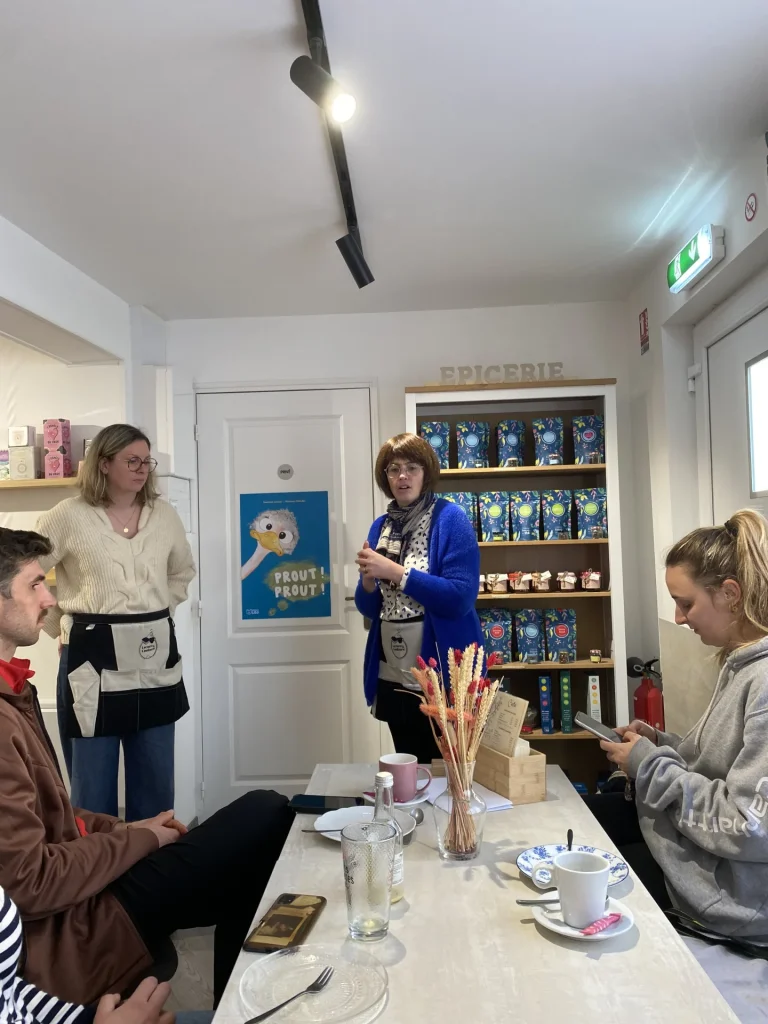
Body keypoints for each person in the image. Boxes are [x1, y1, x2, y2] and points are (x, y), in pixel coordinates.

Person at [0, 527, 293, 1008]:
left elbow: (53, 816)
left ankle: (235, 1008)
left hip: (86, 892)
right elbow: (29, 882)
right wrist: (140, 841)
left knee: (250, 854)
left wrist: (125, 827)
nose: (50, 599)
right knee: (266, 810)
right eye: (34, 585)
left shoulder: (15, 692)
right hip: (72, 924)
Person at [590, 508, 768, 936]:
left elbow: (750, 827)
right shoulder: (739, 664)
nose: (678, 618)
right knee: (579, 825)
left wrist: (649, 763)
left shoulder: (762, 682)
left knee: (579, 879)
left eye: (686, 603)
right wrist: (658, 744)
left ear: (730, 593)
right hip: (696, 859)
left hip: (725, 899)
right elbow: (713, 764)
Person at [35, 424, 196, 820]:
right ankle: (95, 861)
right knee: (92, 786)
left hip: (154, 654)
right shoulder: (68, 516)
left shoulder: (164, 515)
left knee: (156, 780)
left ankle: (155, 860)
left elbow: (182, 572)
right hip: (90, 657)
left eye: (146, 461)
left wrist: (157, 612)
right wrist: (58, 626)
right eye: (132, 461)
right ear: (104, 464)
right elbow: (22, 574)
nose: (142, 469)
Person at [355, 433, 482, 764]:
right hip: (392, 666)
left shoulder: (450, 519)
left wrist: (397, 573)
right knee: (408, 763)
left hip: (441, 666)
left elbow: (460, 597)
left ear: (426, 473)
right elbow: (370, 608)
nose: (402, 476)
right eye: (393, 469)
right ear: (385, 477)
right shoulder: (381, 526)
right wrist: (367, 581)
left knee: (446, 768)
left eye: (412, 467)